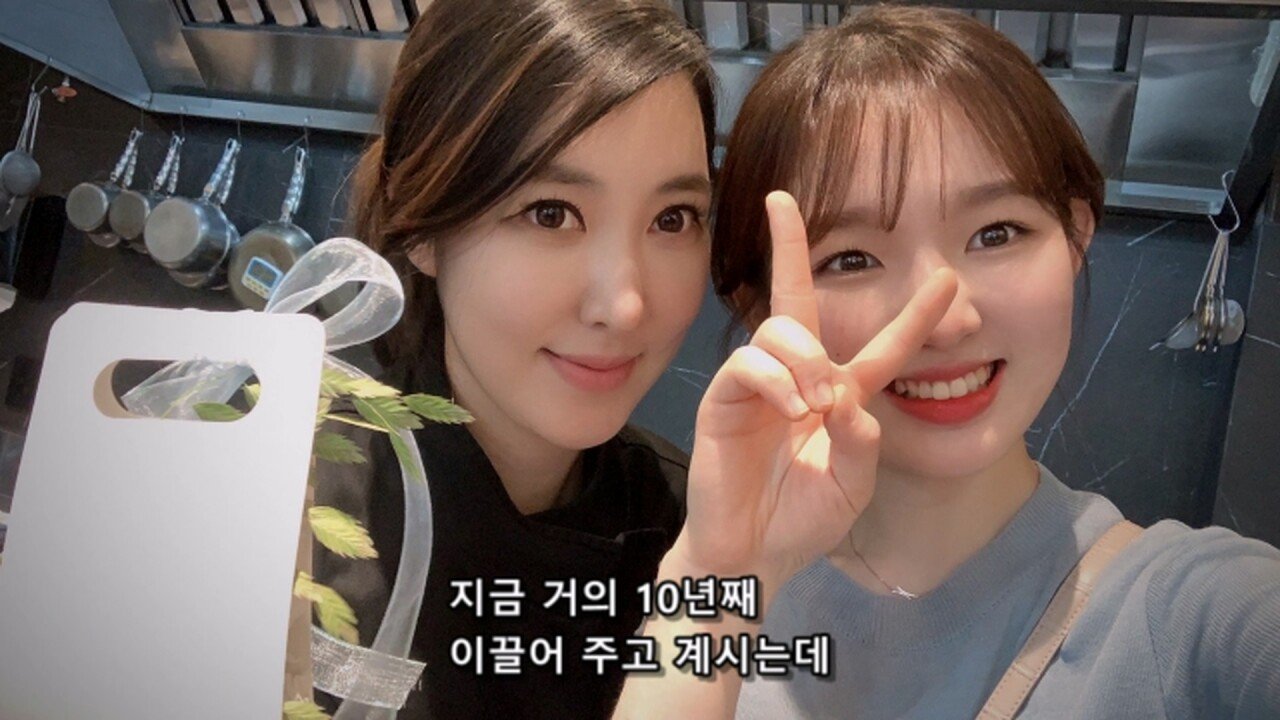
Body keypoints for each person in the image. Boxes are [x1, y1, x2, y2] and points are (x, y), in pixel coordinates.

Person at [613, 6, 1280, 719]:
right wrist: (718, 579)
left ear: (1075, 236)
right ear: (760, 309)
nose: (947, 319)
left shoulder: (1201, 615)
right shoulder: (688, 597)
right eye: (853, 259)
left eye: (996, 233)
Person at [312, 1, 716, 717]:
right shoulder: (289, 500)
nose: (625, 306)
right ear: (422, 226)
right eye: (550, 212)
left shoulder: (697, 524)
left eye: (672, 219)